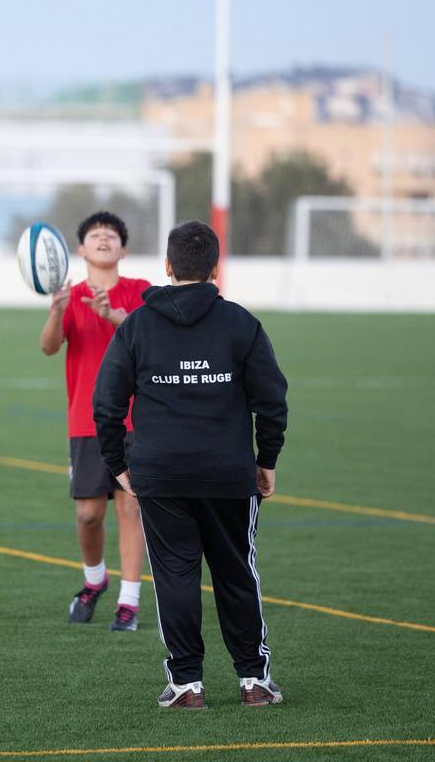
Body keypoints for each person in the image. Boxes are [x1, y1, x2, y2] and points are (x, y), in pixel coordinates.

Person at [92, 220, 289, 708]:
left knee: (176, 576)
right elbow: (273, 400)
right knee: (236, 574)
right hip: (228, 474)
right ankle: (253, 682)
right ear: (215, 269)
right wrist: (266, 460)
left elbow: (106, 403)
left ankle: (186, 685)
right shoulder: (242, 323)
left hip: (161, 475)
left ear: (167, 267)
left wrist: (118, 463)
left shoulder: (137, 324)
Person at [40, 211, 151, 631]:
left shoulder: (141, 292)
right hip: (85, 421)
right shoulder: (70, 296)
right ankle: (95, 580)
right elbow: (49, 347)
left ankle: (129, 602)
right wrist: (55, 312)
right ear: (82, 249)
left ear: (123, 249)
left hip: (135, 420)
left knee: (131, 508)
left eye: (111, 235)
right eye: (94, 234)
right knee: (88, 514)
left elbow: (150, 334)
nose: (103, 238)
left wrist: (113, 316)